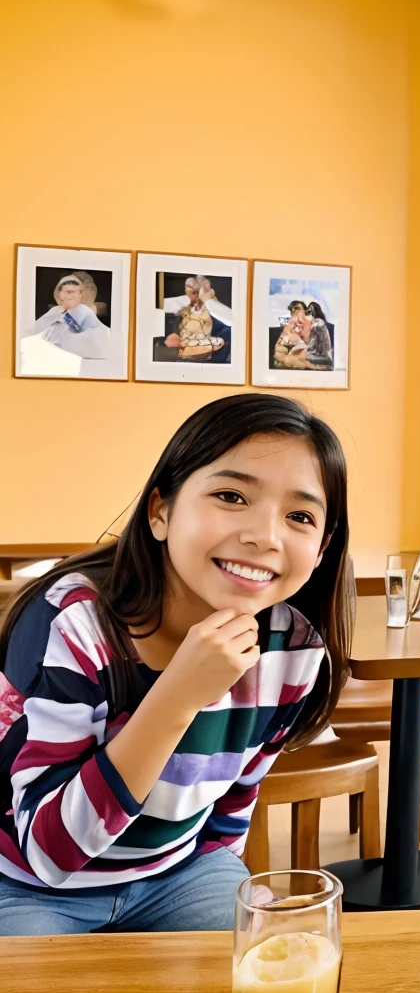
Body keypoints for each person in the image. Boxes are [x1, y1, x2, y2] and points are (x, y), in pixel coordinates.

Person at [0, 394, 353, 934]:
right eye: (232, 496)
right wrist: (180, 695)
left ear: (323, 547)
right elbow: (51, 854)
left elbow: (235, 797)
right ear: (160, 511)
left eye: (300, 516)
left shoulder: (295, 651)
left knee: (252, 984)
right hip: (29, 883)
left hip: (178, 874)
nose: (265, 535)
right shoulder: (73, 626)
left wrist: (223, 876)